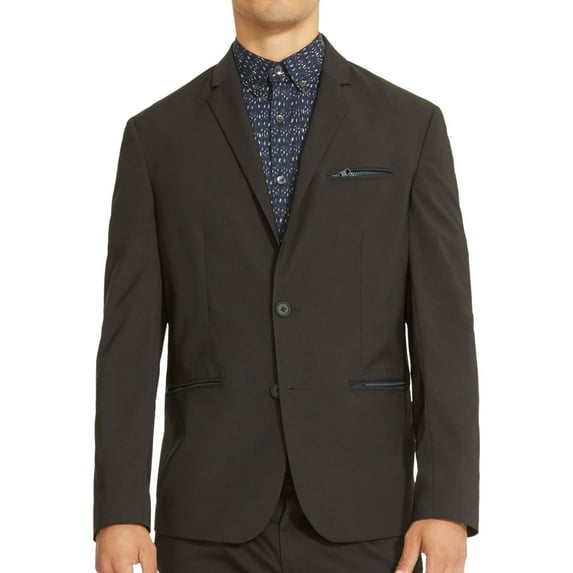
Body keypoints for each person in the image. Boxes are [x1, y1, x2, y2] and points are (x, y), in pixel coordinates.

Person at [93, 1, 480, 572]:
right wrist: (120, 511)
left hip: (367, 516)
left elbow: (443, 331)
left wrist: (446, 502)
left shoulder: (409, 127)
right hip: (206, 516)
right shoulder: (157, 138)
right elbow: (128, 343)